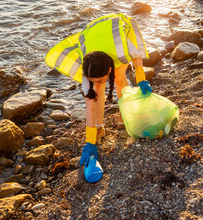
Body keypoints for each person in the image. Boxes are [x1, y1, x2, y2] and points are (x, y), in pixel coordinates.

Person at [45, 13, 152, 167]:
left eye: (101, 78)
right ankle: (99, 128)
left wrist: (141, 79)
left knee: (119, 79)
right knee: (97, 90)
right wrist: (89, 140)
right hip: (92, 34)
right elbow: (90, 106)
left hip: (114, 28)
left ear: (110, 69)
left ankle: (124, 117)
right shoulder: (88, 70)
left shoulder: (121, 48)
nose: (97, 82)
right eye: (92, 80)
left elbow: (136, 57)